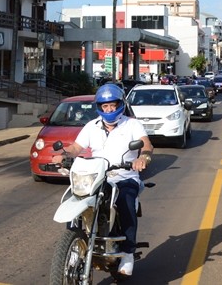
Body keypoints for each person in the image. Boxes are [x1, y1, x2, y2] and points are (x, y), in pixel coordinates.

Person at [51, 82, 153, 276]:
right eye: (105, 106)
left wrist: (143, 158)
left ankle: (128, 253)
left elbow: (146, 145)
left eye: (113, 105)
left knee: (126, 202)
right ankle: (74, 245)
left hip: (124, 175)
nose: (109, 109)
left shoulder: (132, 124)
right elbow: (77, 148)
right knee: (74, 199)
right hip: (97, 176)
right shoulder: (92, 126)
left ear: (120, 105)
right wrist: (64, 154)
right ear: (99, 107)